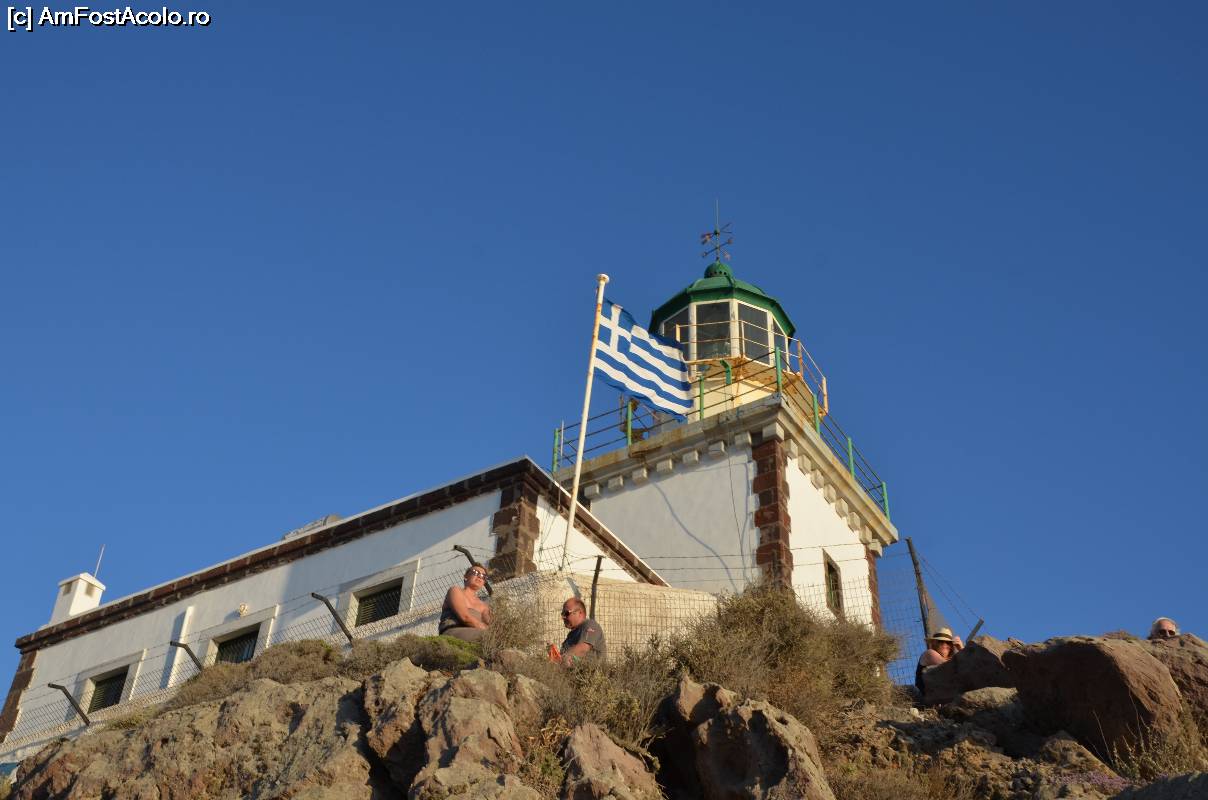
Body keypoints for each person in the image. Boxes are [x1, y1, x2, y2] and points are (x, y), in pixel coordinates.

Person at [438, 564, 492, 642]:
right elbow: (465, 617)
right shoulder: (455, 590)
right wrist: (488, 632)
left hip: (476, 632)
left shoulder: (484, 606)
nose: (480, 577)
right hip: (454, 630)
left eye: (484, 576)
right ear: (466, 576)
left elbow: (490, 624)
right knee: (490, 638)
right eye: (476, 572)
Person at [556, 597, 606, 666]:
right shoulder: (571, 635)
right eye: (562, 614)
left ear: (580, 613)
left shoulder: (590, 624)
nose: (563, 617)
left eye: (566, 613)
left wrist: (563, 658)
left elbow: (583, 648)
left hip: (591, 672)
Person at [915, 626, 963, 692]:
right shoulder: (929, 653)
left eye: (948, 642)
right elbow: (950, 667)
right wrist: (962, 651)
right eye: (941, 641)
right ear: (934, 643)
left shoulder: (952, 660)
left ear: (951, 646)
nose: (945, 644)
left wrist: (961, 648)